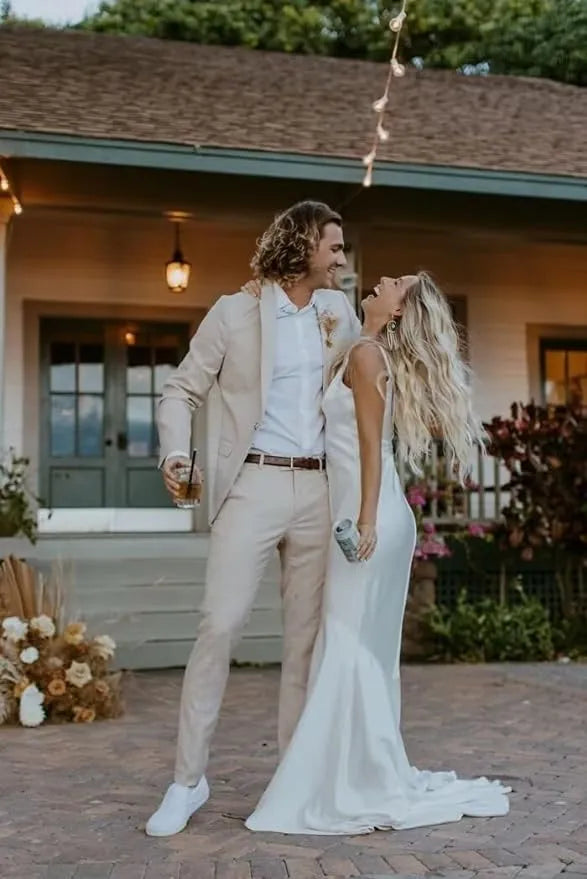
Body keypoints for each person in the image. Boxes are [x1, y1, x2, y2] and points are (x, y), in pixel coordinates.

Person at [246, 272, 511, 834]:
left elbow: (372, 446)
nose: (384, 279)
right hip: (368, 511)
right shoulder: (357, 348)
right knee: (357, 646)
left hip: (371, 516)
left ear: (396, 311)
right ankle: (355, 770)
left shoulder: (367, 356)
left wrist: (364, 518)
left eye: (397, 283)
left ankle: (352, 780)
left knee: (349, 643)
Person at [146, 200, 361, 836]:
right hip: (253, 484)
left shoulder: (338, 314)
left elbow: (362, 391)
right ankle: (187, 781)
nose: (342, 258)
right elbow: (181, 389)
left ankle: (293, 783)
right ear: (302, 248)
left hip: (319, 491)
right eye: (334, 247)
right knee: (220, 625)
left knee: (303, 643)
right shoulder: (233, 312)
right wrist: (177, 451)